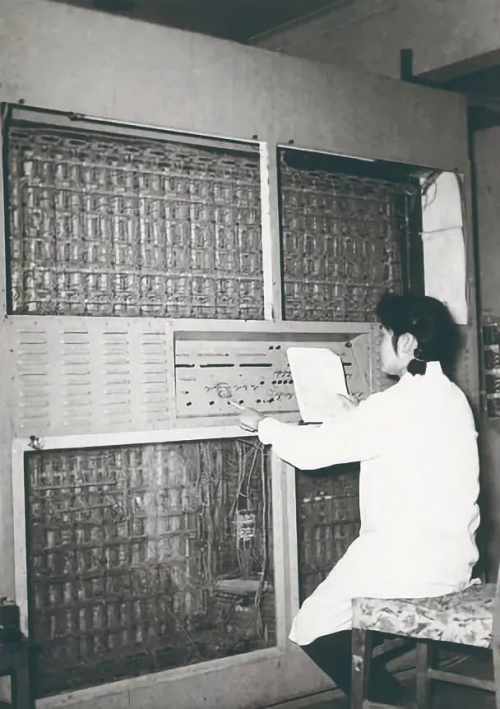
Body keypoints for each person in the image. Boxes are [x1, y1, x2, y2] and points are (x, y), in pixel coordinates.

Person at [236, 293, 480, 703]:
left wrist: (264, 424)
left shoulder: (396, 404)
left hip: (407, 566)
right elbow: (402, 438)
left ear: (407, 343)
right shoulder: (450, 396)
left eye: (383, 334)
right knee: (341, 620)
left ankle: (389, 703)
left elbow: (313, 453)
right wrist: (357, 415)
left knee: (312, 625)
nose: (379, 342)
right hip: (453, 561)